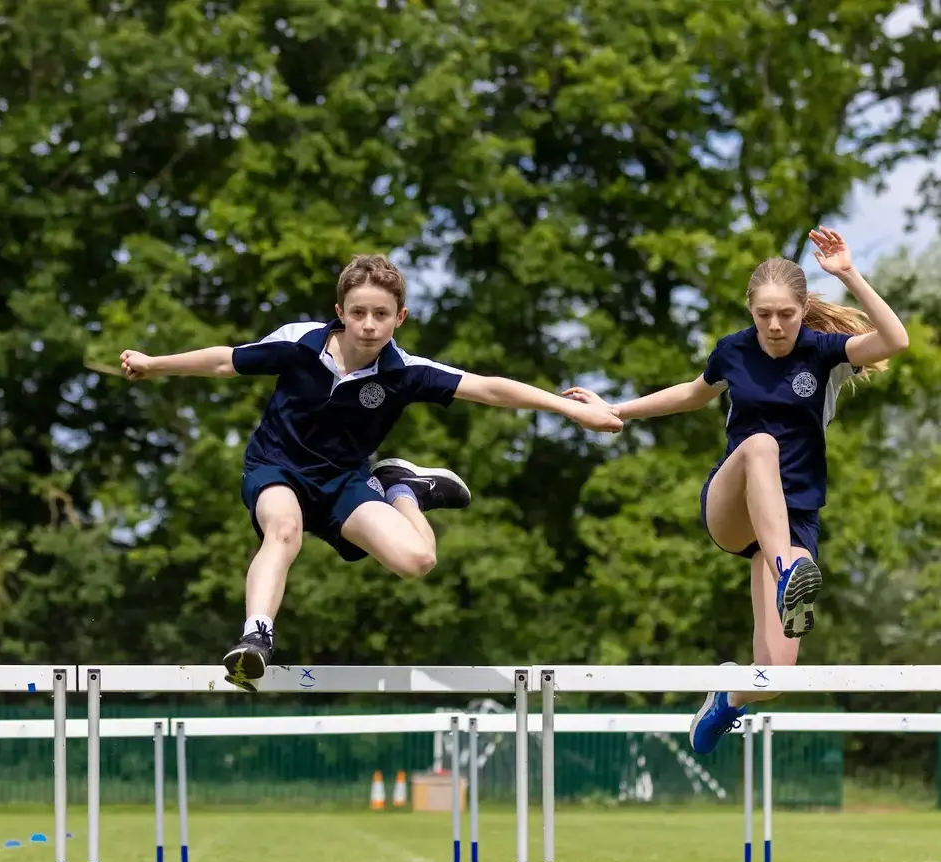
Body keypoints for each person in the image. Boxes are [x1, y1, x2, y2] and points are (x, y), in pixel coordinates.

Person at [120, 253, 622, 690]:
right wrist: (154, 363)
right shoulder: (300, 343)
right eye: (357, 313)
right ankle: (257, 634)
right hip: (277, 468)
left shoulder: (405, 372)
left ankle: (401, 486)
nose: (368, 325)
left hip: (344, 483)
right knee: (284, 530)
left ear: (399, 317)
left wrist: (573, 411)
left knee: (418, 559)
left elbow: (489, 388)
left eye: (381, 315)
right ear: (340, 312)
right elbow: (225, 362)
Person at [567, 227, 909, 754]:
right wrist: (616, 409)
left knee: (777, 675)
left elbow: (895, 341)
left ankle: (727, 698)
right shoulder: (733, 352)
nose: (774, 325)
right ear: (750, 311)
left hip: (793, 518)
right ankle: (787, 573)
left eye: (786, 315)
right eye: (763, 314)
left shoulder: (824, 355)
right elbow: (690, 393)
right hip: (734, 509)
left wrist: (848, 274)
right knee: (760, 446)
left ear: (802, 310)